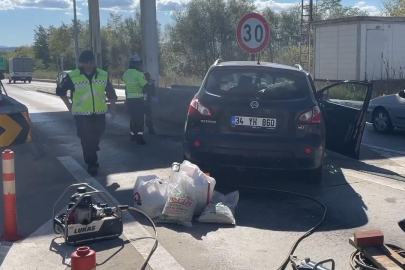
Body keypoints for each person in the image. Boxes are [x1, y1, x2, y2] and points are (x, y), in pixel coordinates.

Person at [56, 50, 117, 176]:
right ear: (81, 63)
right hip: (82, 115)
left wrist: (113, 108)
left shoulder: (103, 74)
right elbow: (60, 91)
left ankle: (93, 149)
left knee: (97, 135)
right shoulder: (73, 76)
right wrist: (69, 107)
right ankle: (91, 163)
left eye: (91, 62)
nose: (88, 65)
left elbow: (110, 92)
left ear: (94, 62)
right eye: (86, 63)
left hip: (99, 113)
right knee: (86, 139)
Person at [122, 54, 148, 145]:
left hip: (130, 99)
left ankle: (133, 135)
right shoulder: (138, 74)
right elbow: (145, 85)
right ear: (137, 63)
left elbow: (126, 87)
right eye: (140, 63)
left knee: (133, 117)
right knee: (140, 118)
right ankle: (140, 138)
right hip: (138, 100)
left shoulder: (126, 74)